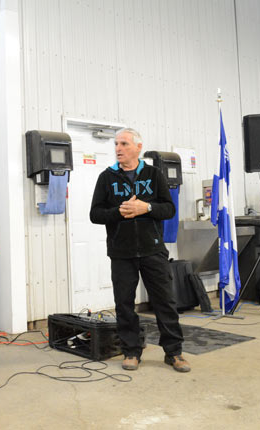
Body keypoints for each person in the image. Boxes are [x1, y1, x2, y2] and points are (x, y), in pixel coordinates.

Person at [89, 128, 190, 373]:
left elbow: (169, 209)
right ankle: (131, 351)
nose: (118, 148)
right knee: (124, 304)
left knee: (164, 301)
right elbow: (95, 214)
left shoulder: (154, 175)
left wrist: (146, 208)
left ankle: (173, 352)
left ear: (138, 147)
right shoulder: (107, 178)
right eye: (116, 144)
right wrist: (120, 212)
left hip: (152, 250)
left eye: (123, 143)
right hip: (121, 252)